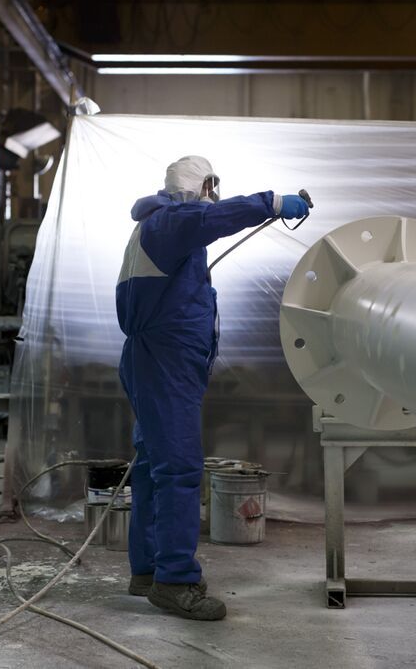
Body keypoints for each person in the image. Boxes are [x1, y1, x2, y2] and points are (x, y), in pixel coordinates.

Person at [115, 155, 309, 620]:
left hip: (156, 360)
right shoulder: (172, 222)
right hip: (164, 363)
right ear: (199, 187)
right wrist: (275, 202)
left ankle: (147, 570)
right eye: (210, 188)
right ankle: (175, 581)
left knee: (152, 467)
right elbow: (213, 217)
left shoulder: (160, 229)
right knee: (179, 469)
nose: (214, 197)